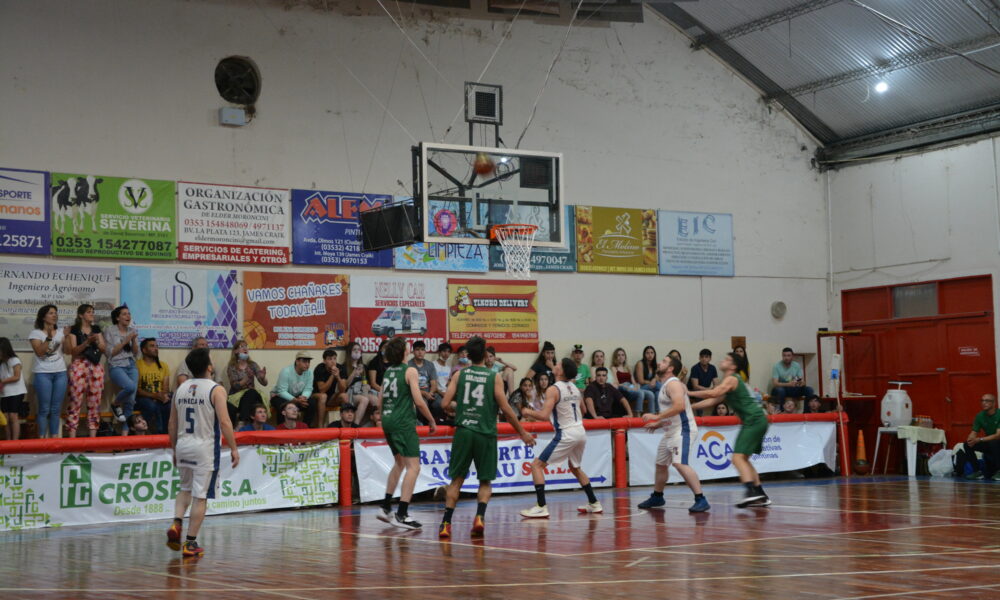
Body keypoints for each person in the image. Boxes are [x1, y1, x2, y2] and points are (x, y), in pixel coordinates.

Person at [438, 336, 534, 539]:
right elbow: (506, 409)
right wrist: (522, 432)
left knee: (456, 481)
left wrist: (461, 409)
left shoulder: (459, 375)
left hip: (464, 431)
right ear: (484, 355)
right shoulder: (494, 377)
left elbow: (444, 404)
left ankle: (446, 523)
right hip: (485, 433)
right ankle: (479, 517)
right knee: (485, 482)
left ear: (468, 356)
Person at [166, 348, 239, 558]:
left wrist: (174, 449)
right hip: (204, 448)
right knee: (200, 497)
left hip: (183, 445)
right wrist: (234, 448)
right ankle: (190, 543)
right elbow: (225, 422)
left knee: (184, 488)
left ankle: (177, 522)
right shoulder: (216, 390)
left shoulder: (180, 388)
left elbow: (172, 423)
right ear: (209, 366)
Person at [520, 358, 603, 518]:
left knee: (536, 466)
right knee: (575, 468)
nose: (555, 365)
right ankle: (594, 503)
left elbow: (544, 416)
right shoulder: (575, 388)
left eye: (558, 365)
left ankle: (541, 506)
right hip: (580, 430)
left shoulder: (553, 389)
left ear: (561, 371)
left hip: (566, 433)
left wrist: (527, 412)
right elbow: (584, 410)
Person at [691, 352, 771, 507]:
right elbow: (714, 400)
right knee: (744, 459)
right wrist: (690, 406)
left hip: (754, 420)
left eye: (727, 359)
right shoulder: (729, 381)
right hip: (757, 419)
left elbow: (713, 392)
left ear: (733, 366)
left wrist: (688, 392)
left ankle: (750, 492)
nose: (723, 360)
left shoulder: (731, 378)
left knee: (737, 458)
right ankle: (760, 493)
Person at [376, 336, 437, 529]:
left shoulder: (387, 373)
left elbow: (380, 402)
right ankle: (402, 514)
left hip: (387, 420)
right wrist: (431, 419)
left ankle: (386, 507)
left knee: (399, 462)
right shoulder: (410, 370)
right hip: (403, 422)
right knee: (414, 467)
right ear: (404, 352)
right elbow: (419, 401)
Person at [637, 355, 710, 513]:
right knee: (661, 465)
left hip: (683, 430)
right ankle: (657, 496)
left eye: (663, 361)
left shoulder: (674, 384)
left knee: (679, 464)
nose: (659, 362)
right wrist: (660, 423)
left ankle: (701, 499)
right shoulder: (665, 385)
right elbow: (671, 412)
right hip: (670, 430)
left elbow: (679, 406)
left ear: (670, 368)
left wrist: (657, 416)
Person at [64, 304, 106, 438]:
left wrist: (97, 342)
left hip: (95, 366)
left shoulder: (96, 329)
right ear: (81, 315)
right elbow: (73, 351)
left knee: (95, 402)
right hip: (79, 365)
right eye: (88, 312)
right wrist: (87, 343)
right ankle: (72, 438)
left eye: (93, 312)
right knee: (75, 401)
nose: (92, 314)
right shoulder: (74, 330)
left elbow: (104, 349)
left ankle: (92, 438)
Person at [29, 304, 68, 439]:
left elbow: (67, 351)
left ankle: (54, 440)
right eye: (51, 313)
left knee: (56, 409)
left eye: (56, 313)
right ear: (43, 316)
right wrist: (50, 337)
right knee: (44, 409)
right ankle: (41, 440)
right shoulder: (36, 333)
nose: (55, 315)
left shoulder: (61, 332)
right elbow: (40, 352)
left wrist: (67, 337)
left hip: (60, 373)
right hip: (43, 373)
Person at [104, 305, 139, 434]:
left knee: (131, 401)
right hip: (116, 365)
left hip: (131, 364)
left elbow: (136, 353)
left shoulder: (132, 330)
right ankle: (115, 404)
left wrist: (134, 340)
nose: (128, 316)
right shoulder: (109, 330)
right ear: (117, 317)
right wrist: (125, 341)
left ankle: (124, 435)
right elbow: (110, 352)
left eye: (129, 314)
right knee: (130, 387)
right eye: (124, 314)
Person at [954, 394, 1000, 481]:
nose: (984, 403)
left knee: (995, 442)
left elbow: (998, 435)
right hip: (989, 442)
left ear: (994, 403)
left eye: (987, 401)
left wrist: (979, 439)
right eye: (982, 401)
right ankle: (977, 472)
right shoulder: (980, 416)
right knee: (967, 444)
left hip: (997, 442)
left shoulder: (999, 414)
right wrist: (971, 439)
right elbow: (974, 432)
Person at [226, 340, 268, 424]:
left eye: (246, 346)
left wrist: (263, 378)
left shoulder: (252, 365)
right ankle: (241, 424)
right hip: (237, 398)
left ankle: (242, 422)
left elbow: (264, 383)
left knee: (251, 392)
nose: (245, 348)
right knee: (230, 405)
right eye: (242, 347)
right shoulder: (232, 367)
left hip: (251, 396)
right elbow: (235, 386)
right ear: (236, 351)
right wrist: (246, 379)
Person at [136, 338, 172, 434]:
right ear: (144, 350)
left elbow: (166, 387)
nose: (156, 348)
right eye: (152, 346)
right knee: (151, 406)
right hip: (142, 398)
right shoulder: (137, 365)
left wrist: (163, 396)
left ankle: (165, 436)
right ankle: (150, 434)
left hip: (159, 397)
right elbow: (137, 390)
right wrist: (154, 396)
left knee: (168, 405)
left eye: (157, 346)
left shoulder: (163, 365)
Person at [271, 351, 315, 426]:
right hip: (280, 396)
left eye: (308, 362)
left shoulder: (310, 372)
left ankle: (305, 428)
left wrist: (303, 398)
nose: (307, 364)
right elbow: (281, 391)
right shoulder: (286, 371)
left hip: (298, 398)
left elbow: (308, 389)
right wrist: (296, 400)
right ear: (297, 361)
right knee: (282, 405)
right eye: (304, 361)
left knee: (312, 403)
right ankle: (282, 431)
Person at [341, 341, 376, 426]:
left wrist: (367, 386)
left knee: (376, 400)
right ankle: (355, 427)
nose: (357, 351)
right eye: (354, 350)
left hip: (363, 391)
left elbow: (366, 382)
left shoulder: (364, 367)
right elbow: (345, 385)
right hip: (351, 392)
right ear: (350, 352)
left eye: (359, 350)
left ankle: (375, 425)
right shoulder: (344, 367)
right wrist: (354, 372)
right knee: (364, 400)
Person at [610, 347, 653, 414]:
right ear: (615, 357)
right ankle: (637, 414)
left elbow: (633, 382)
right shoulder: (614, 368)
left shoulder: (628, 367)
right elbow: (616, 383)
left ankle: (652, 414)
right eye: (618, 355)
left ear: (625, 357)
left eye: (622, 355)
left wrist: (635, 386)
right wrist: (628, 387)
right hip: (623, 387)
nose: (621, 357)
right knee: (640, 393)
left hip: (631, 387)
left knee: (650, 394)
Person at [0, 337, 28, 441]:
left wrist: (3, 381)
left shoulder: (14, 360)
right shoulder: (1, 363)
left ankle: (15, 441)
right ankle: (8, 440)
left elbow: (16, 377)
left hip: (16, 392)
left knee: (13, 416)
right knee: (5, 418)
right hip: (4, 393)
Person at [312, 348, 346, 428]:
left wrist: (338, 377)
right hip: (316, 396)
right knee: (323, 396)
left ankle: (345, 425)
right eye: (330, 359)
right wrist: (332, 376)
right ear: (324, 361)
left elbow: (343, 389)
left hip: (331, 398)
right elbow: (322, 390)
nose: (333, 361)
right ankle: (320, 427)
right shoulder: (319, 368)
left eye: (334, 358)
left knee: (344, 396)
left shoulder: (341, 368)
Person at [408, 340, 439, 425]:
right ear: (413, 351)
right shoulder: (408, 365)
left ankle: (437, 423)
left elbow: (434, 383)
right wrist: (424, 393)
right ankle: (421, 426)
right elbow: (409, 386)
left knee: (440, 403)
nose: (420, 352)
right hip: (415, 393)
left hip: (429, 393)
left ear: (425, 351)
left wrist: (431, 393)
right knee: (422, 403)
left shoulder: (430, 365)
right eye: (417, 350)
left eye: (422, 349)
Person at [634, 346, 661, 413]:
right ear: (644, 354)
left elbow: (658, 379)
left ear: (654, 354)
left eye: (652, 353)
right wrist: (651, 382)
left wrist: (654, 380)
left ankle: (657, 414)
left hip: (652, 387)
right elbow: (641, 381)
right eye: (647, 353)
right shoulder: (640, 363)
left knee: (658, 393)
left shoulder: (655, 365)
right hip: (641, 387)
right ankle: (668, 390)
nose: (650, 355)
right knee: (658, 385)